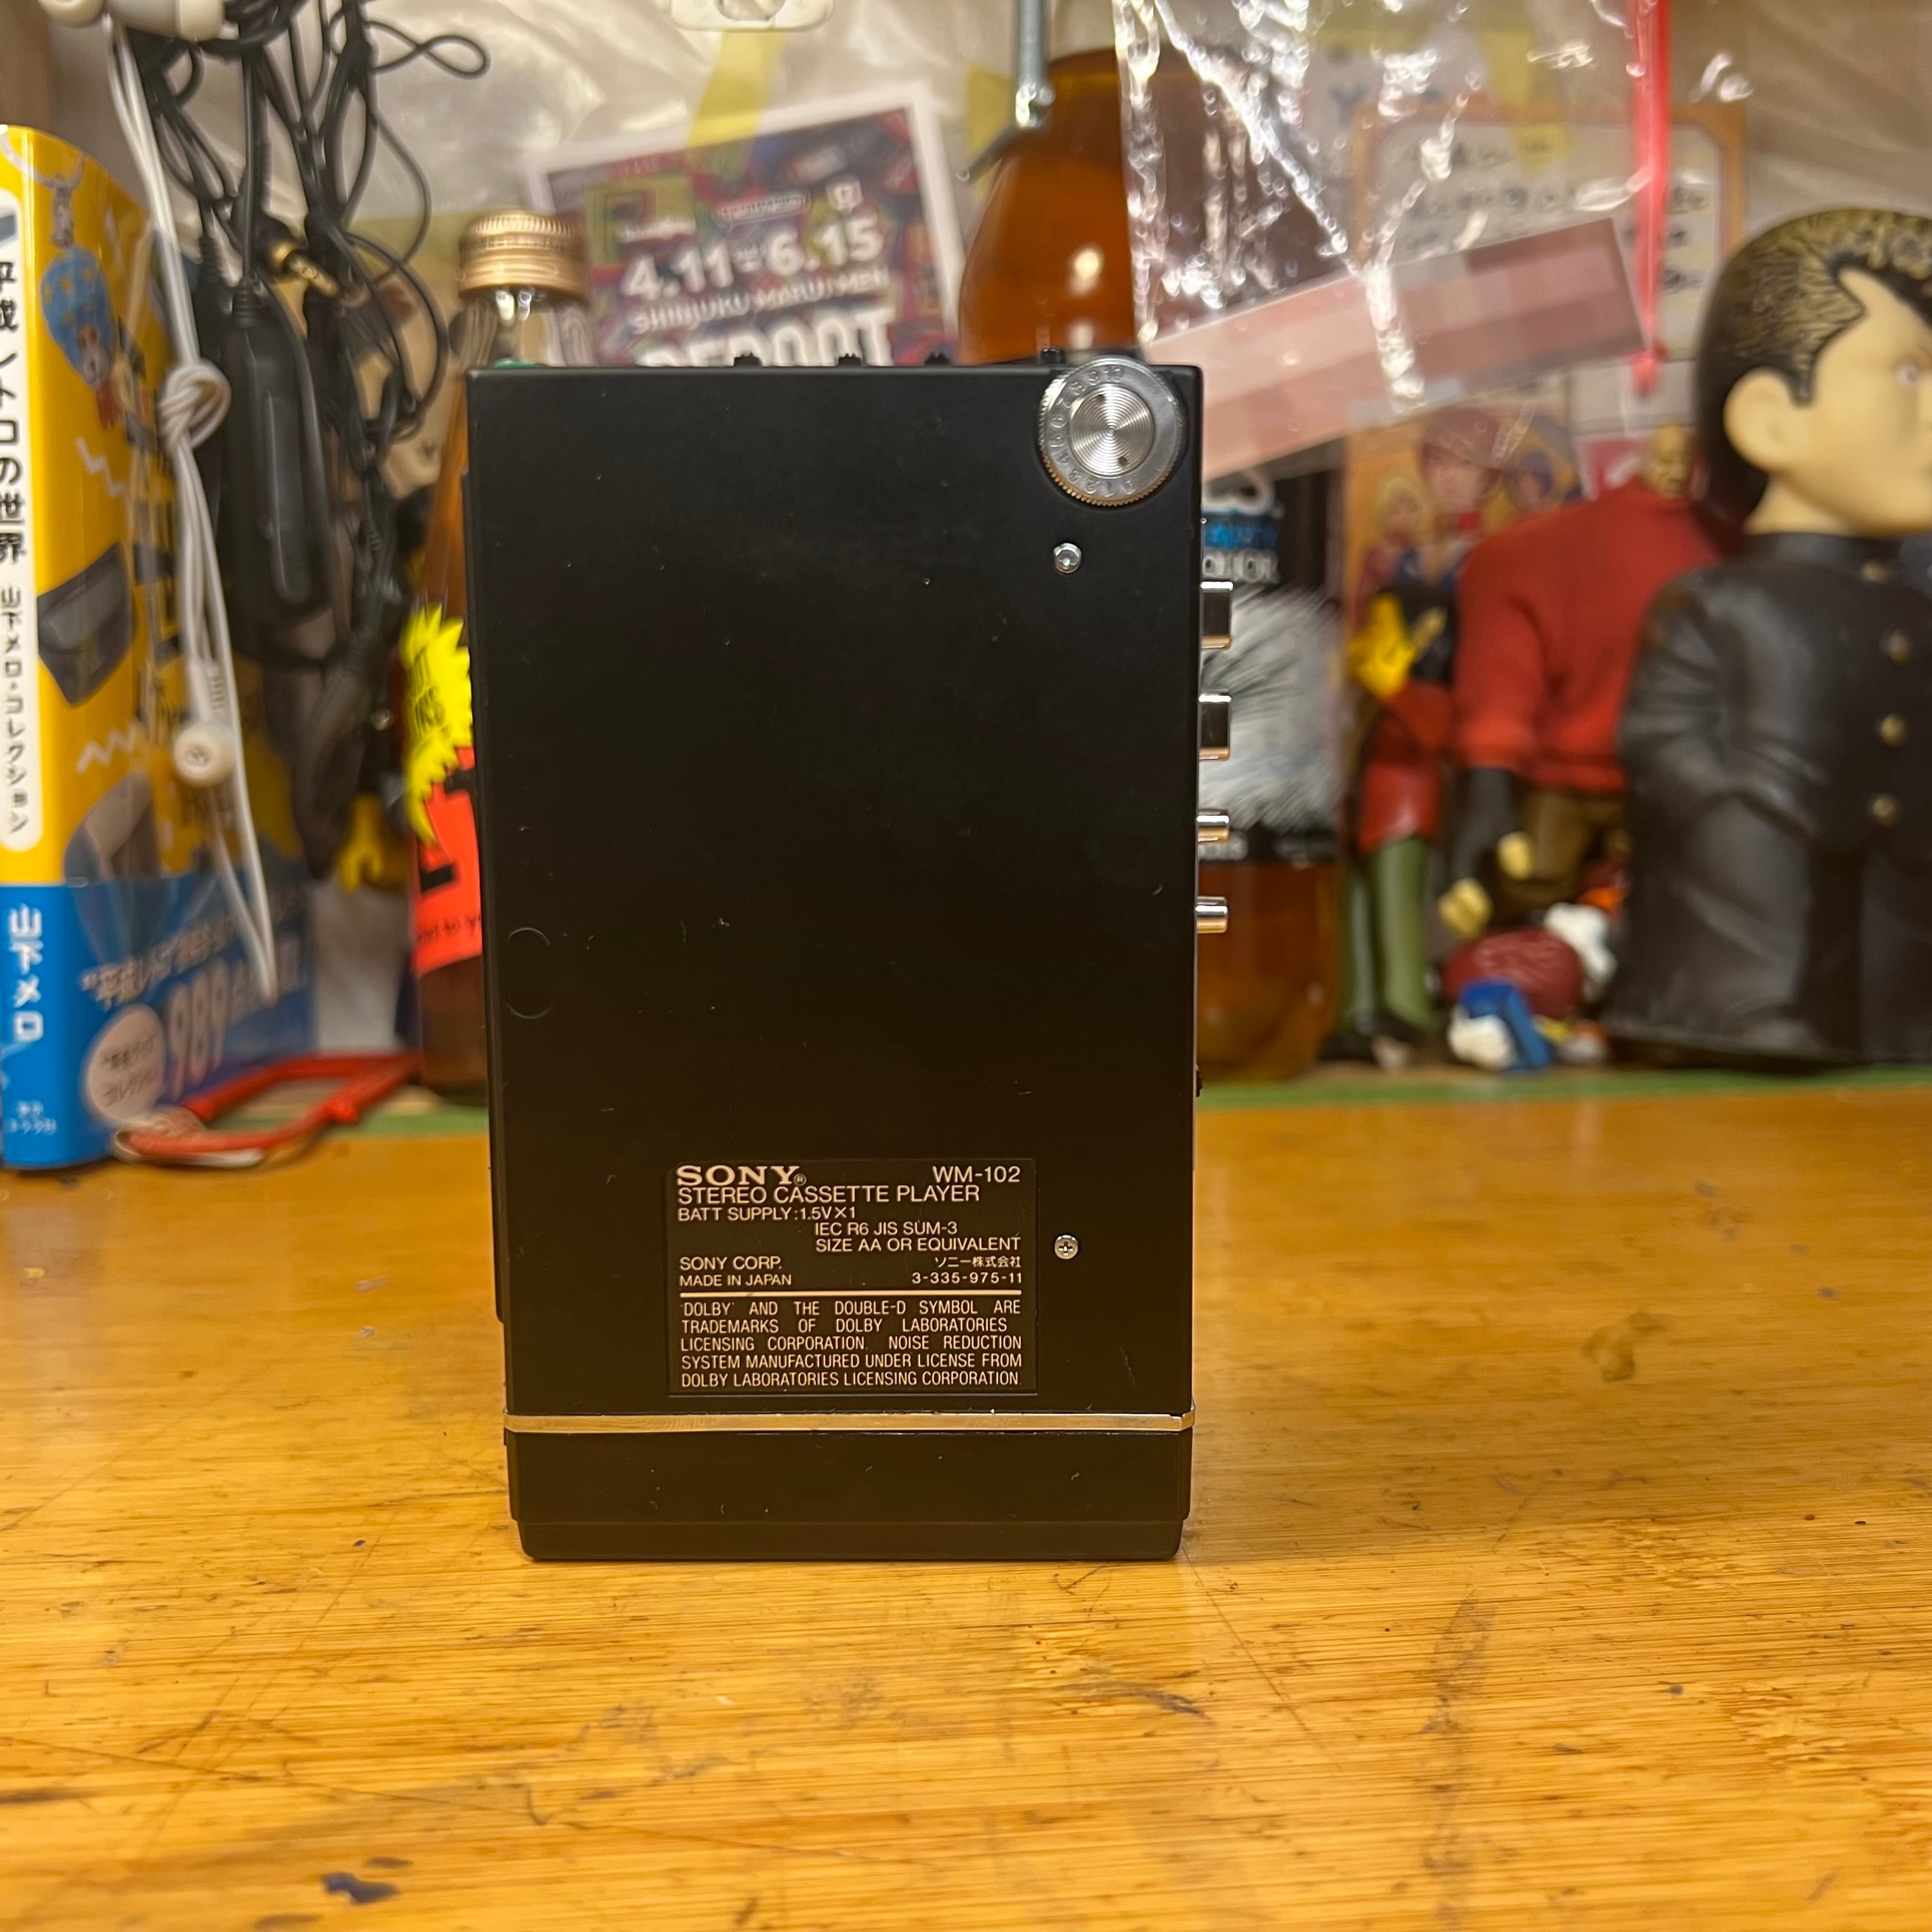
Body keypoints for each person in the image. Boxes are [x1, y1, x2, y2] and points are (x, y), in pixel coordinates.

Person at [1608, 210, 1932, 1063]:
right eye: (1910, 372)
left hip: (1899, 955)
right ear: (1770, 419)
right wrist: (1738, 807)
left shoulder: (1914, 609)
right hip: (1745, 940)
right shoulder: (1720, 604)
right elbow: (1664, 738)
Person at [1439, 423, 1732, 938]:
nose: (1673, 471)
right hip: (1567, 780)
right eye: (1666, 458)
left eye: (1683, 460)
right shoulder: (1554, 547)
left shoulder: (1724, 550)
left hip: (1668, 789)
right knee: (1531, 884)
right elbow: (1505, 670)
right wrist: (1491, 768)